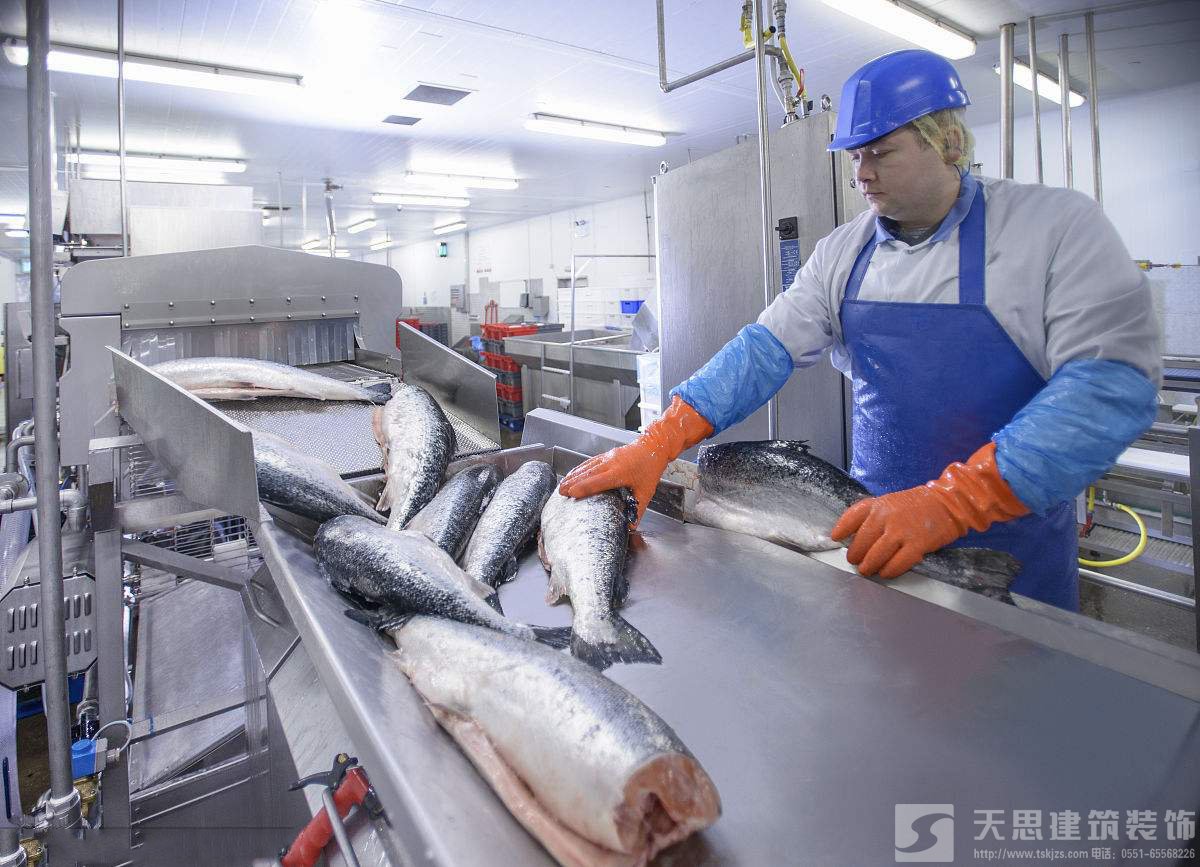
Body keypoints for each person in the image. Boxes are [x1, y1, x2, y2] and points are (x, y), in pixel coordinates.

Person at [559, 49, 1161, 610]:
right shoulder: (843, 253)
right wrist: (657, 442)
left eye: (881, 152)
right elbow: (762, 352)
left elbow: (1110, 389)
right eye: (854, 156)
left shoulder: (1053, 229)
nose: (862, 174)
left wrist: (952, 503)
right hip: (869, 538)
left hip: (1011, 554)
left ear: (948, 143)